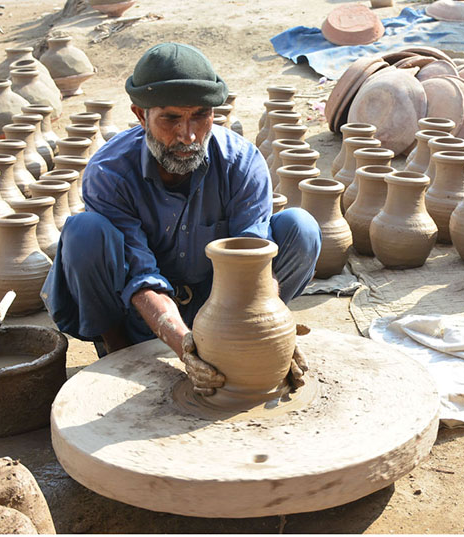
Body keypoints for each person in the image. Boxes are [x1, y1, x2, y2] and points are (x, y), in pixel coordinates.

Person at [41, 42, 321, 395]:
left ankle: (243, 337)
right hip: (138, 312)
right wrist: (183, 345)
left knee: (301, 228)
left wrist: (269, 332)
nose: (187, 135)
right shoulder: (109, 171)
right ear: (141, 116)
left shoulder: (241, 163)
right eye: (171, 119)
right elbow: (140, 275)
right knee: (84, 232)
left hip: (220, 301)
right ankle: (119, 353)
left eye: (200, 116)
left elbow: (251, 259)